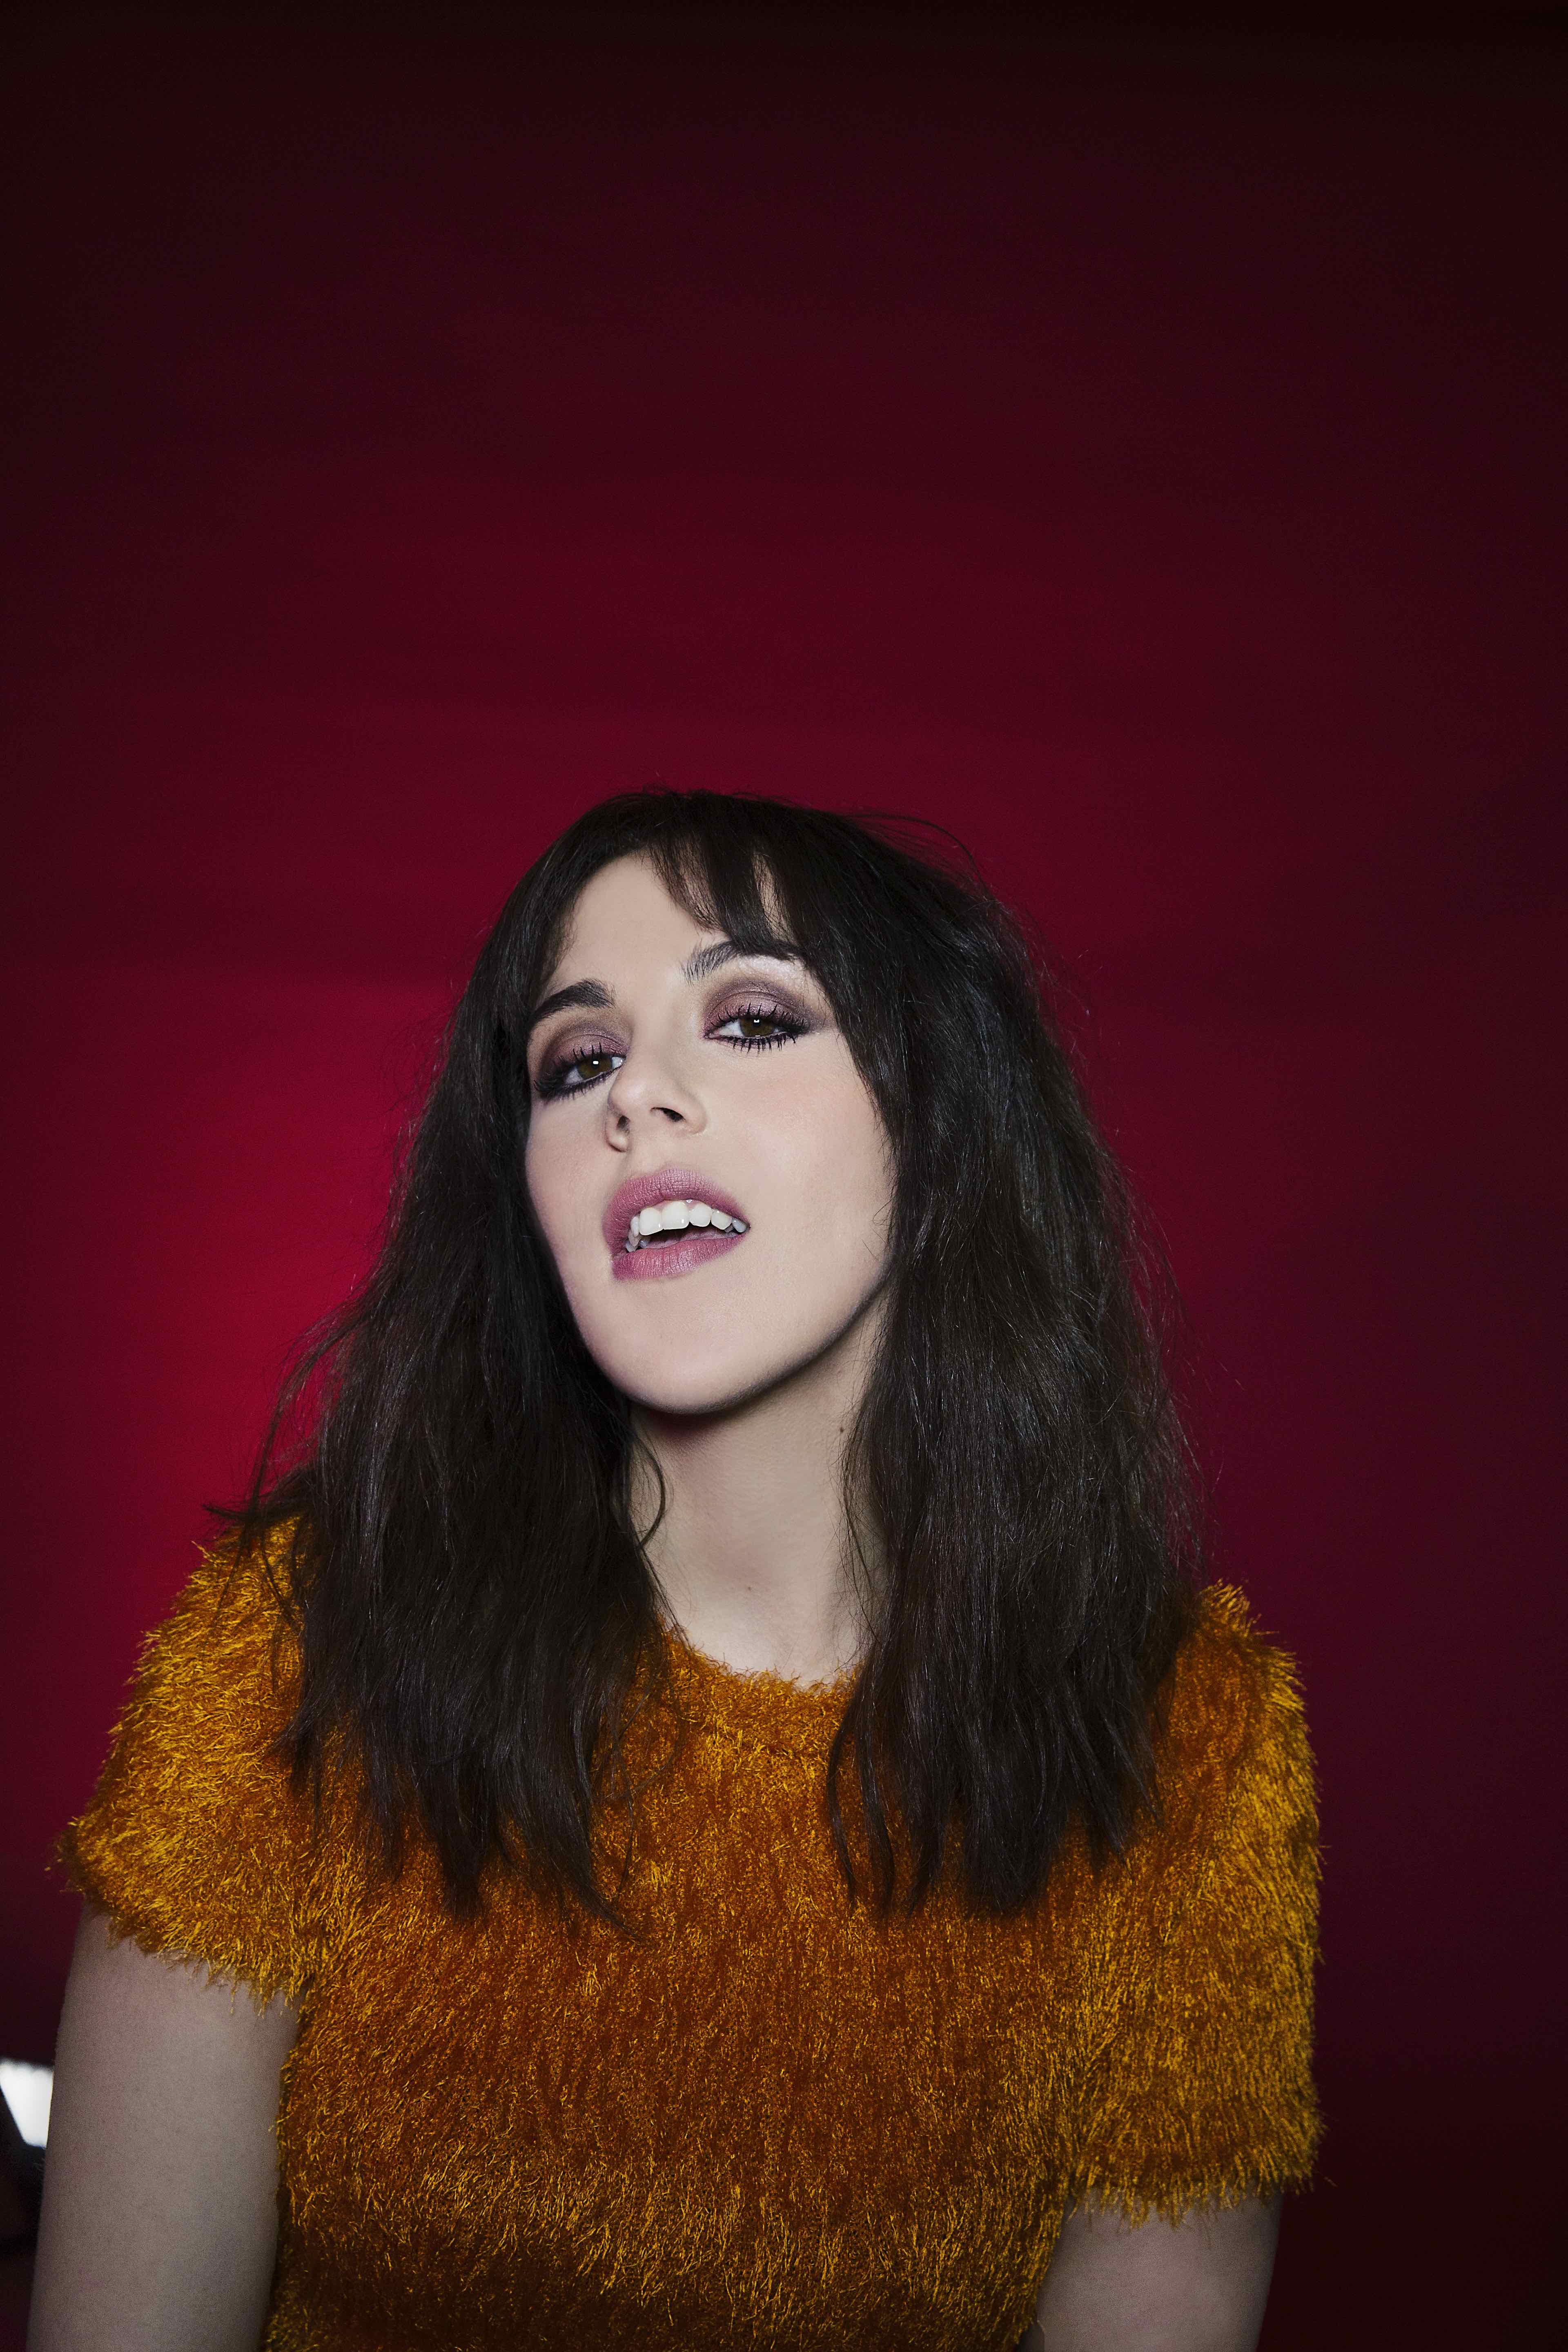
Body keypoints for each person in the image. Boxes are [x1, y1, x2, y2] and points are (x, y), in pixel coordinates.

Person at [30, 789, 1320, 2352]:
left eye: (755, 1019)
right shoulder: (300, 1648)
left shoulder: (1193, 1748)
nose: (635, 1096)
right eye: (576, 1063)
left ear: (945, 1127)